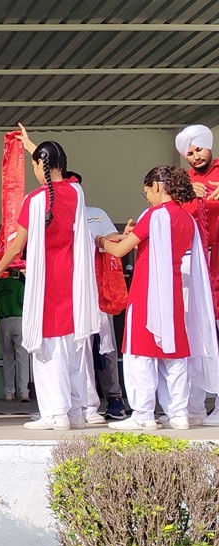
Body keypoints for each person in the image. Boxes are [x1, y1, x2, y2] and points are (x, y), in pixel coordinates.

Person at [0, 140, 100, 431]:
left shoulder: (35, 200)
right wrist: (32, 146)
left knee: (49, 349)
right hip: (73, 278)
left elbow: (17, 245)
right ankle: (75, 412)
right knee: (72, 347)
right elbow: (57, 175)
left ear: (40, 165)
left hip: (48, 281)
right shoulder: (76, 192)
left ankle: (55, 414)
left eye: (35, 164)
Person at [96, 165, 218, 431]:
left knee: (140, 353)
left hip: (146, 290)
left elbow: (119, 250)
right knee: (174, 354)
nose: (148, 199)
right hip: (173, 292)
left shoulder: (153, 215)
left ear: (157, 187)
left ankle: (144, 414)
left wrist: (102, 241)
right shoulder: (186, 219)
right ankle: (179, 413)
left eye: (147, 193)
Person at [175, 125, 219, 426]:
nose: (195, 157)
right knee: (195, 336)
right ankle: (194, 406)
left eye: (199, 149)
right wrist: (189, 195)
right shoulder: (182, 182)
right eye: (189, 153)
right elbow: (173, 216)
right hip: (194, 267)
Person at [84, 204, 127, 421]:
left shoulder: (96, 214)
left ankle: (114, 398)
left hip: (99, 290)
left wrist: (122, 239)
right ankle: (82, 402)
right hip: (71, 293)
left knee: (105, 346)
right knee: (78, 349)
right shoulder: (54, 217)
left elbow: (112, 239)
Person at [0, 272, 29, 403]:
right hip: (18, 320)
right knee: (22, 358)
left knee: (7, 359)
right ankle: (24, 392)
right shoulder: (18, 285)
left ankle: (9, 393)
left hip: (3, 321)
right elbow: (24, 302)